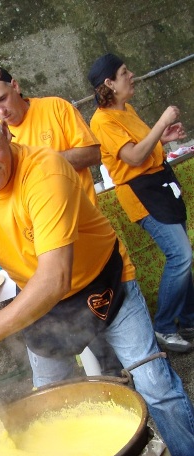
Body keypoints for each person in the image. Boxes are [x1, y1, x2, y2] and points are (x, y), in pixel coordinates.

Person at [0, 97, 194, 456]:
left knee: (153, 383)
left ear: (4, 132)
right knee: (50, 404)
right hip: (39, 301)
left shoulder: (45, 169)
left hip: (102, 281)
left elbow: (55, 278)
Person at [0, 62, 122, 379]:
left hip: (85, 243)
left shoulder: (55, 107)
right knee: (64, 357)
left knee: (108, 337)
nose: (0, 110)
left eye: (2, 99)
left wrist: (43, 167)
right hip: (37, 259)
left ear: (16, 85)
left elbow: (94, 153)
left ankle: (122, 389)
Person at [88, 53, 194, 353]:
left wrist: (162, 138)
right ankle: (162, 326)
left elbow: (142, 148)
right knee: (181, 256)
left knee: (183, 255)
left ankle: (188, 320)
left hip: (160, 184)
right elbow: (132, 158)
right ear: (109, 82)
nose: (131, 75)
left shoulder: (127, 109)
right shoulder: (102, 121)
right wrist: (162, 122)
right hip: (141, 194)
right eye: (124, 72)